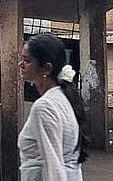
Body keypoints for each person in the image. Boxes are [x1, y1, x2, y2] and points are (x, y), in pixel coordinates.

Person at [18, 33, 89, 181]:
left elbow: (53, 164)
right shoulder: (63, 97)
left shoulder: (44, 107)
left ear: (46, 68)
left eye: (27, 60)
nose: (21, 64)